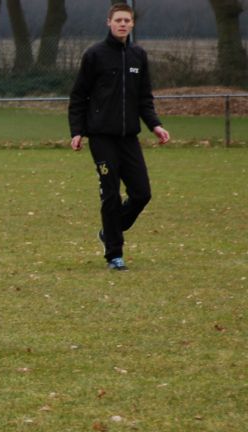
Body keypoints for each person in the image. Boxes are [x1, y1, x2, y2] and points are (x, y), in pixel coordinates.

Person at [68, 3, 170, 271]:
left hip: (128, 138)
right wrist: (77, 131)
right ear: (109, 23)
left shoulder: (138, 56)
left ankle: (109, 231)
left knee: (142, 194)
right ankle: (114, 254)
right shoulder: (95, 55)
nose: (123, 24)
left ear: (132, 24)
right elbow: (78, 96)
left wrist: (155, 125)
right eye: (118, 20)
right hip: (101, 137)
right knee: (110, 194)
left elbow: (144, 98)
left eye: (127, 20)